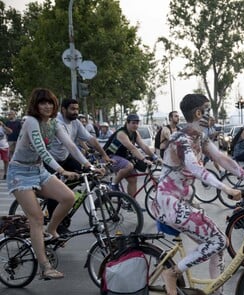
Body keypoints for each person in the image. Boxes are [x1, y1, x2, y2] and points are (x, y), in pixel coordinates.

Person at [153, 93, 244, 295]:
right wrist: (226, 189)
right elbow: (195, 169)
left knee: (216, 246)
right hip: (169, 203)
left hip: (182, 202)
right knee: (218, 241)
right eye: (207, 110)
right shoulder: (180, 140)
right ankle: (173, 273)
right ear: (198, 113)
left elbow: (224, 160)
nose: (210, 115)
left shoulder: (199, 138)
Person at [6, 88, 83, 280]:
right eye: (42, 103)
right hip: (20, 173)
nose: (47, 106)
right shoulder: (31, 121)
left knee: (68, 197)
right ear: (35, 105)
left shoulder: (54, 123)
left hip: (38, 170)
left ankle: (52, 230)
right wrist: (62, 170)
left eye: (50, 102)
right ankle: (45, 267)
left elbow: (70, 144)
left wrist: (88, 164)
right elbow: (41, 149)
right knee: (37, 219)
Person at [45, 98, 110, 234]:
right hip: (51, 160)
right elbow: (71, 145)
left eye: (77, 109)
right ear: (63, 109)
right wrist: (88, 164)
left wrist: (104, 155)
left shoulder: (76, 122)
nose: (76, 112)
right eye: (72, 109)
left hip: (65, 157)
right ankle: (54, 225)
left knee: (88, 174)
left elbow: (91, 139)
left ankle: (65, 199)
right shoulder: (57, 122)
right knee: (54, 192)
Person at [104, 114, 158, 197]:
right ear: (127, 123)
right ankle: (113, 185)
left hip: (122, 158)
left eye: (137, 123)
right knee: (129, 166)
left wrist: (154, 157)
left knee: (133, 179)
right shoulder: (121, 133)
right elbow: (132, 148)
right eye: (133, 123)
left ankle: (132, 204)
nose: (135, 125)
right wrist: (144, 159)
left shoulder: (135, 133)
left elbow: (143, 146)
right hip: (109, 157)